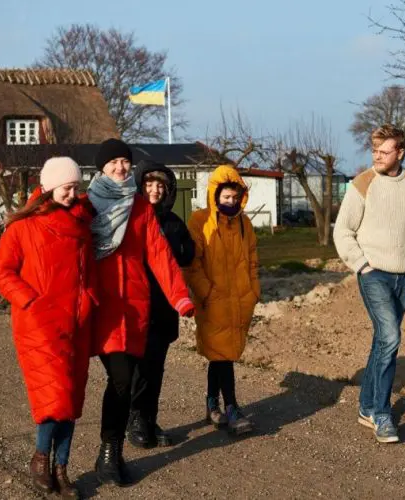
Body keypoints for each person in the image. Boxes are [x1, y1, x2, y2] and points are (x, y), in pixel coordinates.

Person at [87, 138, 195, 486]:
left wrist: (180, 298)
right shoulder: (86, 204)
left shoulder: (139, 207)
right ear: (102, 167)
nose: (120, 167)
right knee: (120, 380)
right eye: (113, 162)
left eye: (125, 161)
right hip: (101, 307)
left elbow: (160, 255)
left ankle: (110, 453)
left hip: (134, 308)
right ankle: (75, 454)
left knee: (123, 381)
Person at [0, 157, 95, 498]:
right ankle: (41, 458)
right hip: (39, 324)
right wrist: (31, 301)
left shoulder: (81, 225)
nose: (73, 194)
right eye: (67, 188)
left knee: (70, 400)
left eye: (76, 187)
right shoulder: (24, 227)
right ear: (49, 187)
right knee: (55, 396)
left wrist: (88, 299)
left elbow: (88, 273)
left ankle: (62, 470)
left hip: (76, 323)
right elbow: (1, 272)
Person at [333, 124, 405, 444]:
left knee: (383, 340)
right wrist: (361, 265)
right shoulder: (362, 184)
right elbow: (343, 230)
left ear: (400, 153)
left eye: (384, 151)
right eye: (374, 150)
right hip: (373, 273)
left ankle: (366, 407)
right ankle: (381, 414)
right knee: (391, 337)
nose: (377, 156)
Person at [185, 165, 260, 436]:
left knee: (220, 355)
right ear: (215, 195)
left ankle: (211, 403)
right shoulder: (200, 221)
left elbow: (252, 261)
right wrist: (206, 292)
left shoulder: (244, 224)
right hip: (213, 301)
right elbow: (192, 264)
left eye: (235, 197)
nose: (231, 202)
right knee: (223, 355)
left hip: (239, 300)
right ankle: (231, 407)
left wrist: (253, 291)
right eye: (226, 197)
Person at [127, 160, 196, 449]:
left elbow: (188, 255)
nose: (154, 190)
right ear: (140, 187)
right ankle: (135, 419)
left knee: (156, 367)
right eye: (149, 185)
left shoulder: (173, 222)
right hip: (137, 305)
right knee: (139, 368)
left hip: (164, 306)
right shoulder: (130, 218)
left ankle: (149, 418)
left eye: (160, 186)